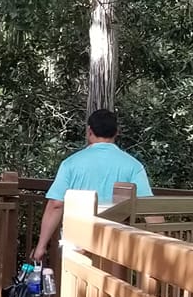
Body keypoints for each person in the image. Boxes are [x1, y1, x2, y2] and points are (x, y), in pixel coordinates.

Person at [31, 108, 153, 259]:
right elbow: (148, 207)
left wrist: (41, 247)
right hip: (116, 243)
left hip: (78, 241)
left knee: (75, 279)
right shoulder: (133, 166)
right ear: (116, 132)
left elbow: (56, 204)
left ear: (89, 131)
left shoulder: (70, 164)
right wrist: (166, 244)